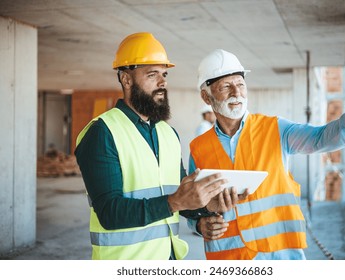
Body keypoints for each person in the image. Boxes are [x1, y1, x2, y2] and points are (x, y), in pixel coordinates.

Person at [187, 49, 345, 260]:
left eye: (240, 84)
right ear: (206, 96)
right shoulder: (198, 147)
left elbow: (320, 139)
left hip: (280, 257)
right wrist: (199, 224)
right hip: (229, 261)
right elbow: (192, 204)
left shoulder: (275, 128)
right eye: (225, 87)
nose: (236, 93)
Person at [74, 33, 229, 260]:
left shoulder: (168, 133)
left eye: (164, 74)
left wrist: (204, 210)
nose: (162, 82)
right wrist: (175, 201)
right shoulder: (102, 132)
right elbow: (109, 213)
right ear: (126, 79)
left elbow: (176, 197)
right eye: (152, 74)